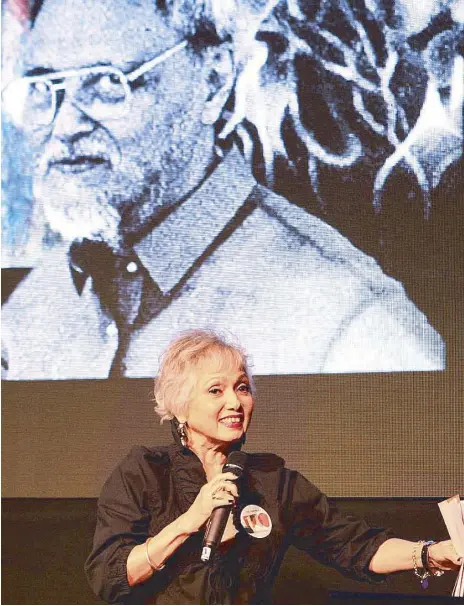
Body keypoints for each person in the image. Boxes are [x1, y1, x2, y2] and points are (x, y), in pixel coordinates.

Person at [1, 0, 446, 379]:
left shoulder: (353, 326)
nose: (66, 126)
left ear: (213, 81)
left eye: (107, 84)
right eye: (45, 89)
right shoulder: (32, 308)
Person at [84, 329, 461, 604]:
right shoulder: (145, 471)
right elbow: (111, 575)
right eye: (216, 390)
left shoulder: (272, 483)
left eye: (243, 387)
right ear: (180, 405)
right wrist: (189, 521)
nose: (235, 401)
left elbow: (356, 546)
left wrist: (430, 554)